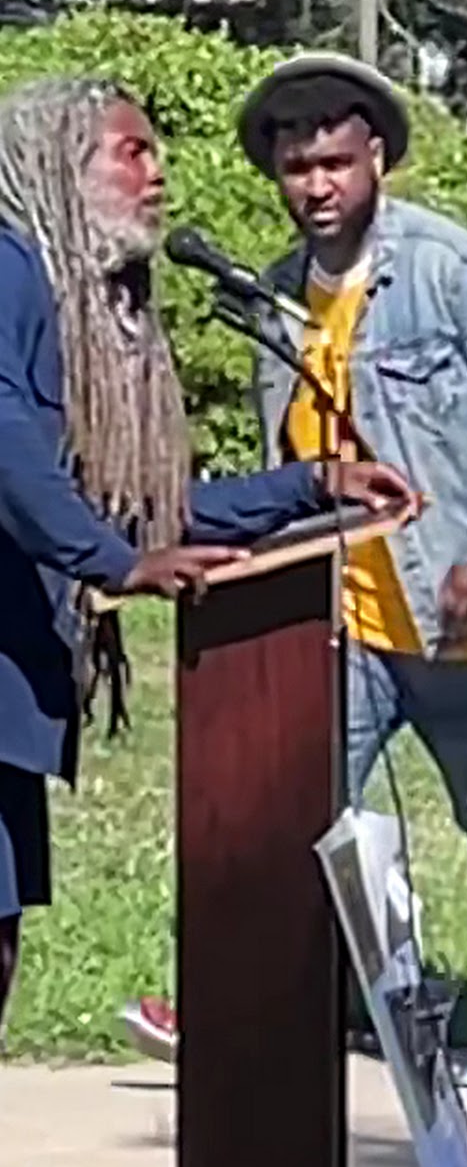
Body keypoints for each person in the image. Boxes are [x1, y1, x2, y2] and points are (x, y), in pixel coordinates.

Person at [0, 76, 409, 1039]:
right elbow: (7, 441)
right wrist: (110, 562)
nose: (158, 174)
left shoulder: (71, 296)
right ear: (60, 163)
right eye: (131, 152)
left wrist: (312, 486)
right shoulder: (8, 268)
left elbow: (142, 507)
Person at [244, 53, 467, 1092]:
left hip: (461, 607)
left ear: (376, 158)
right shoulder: (276, 295)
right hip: (343, 614)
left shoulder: (449, 268)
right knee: (302, 814)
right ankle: (301, 1007)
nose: (317, 186)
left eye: (335, 163)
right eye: (296, 167)